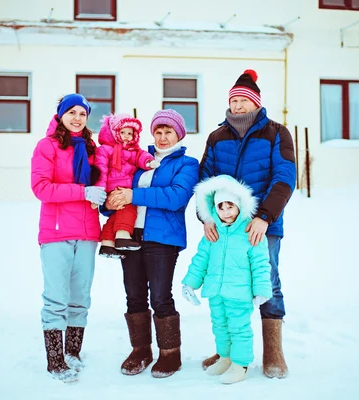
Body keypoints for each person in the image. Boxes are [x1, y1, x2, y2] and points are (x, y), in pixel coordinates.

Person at [199, 69, 296, 379]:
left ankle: (273, 352)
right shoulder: (217, 137)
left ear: (256, 103)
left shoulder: (276, 133)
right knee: (224, 286)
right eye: (234, 100)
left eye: (244, 100)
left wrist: (264, 216)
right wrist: (206, 217)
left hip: (261, 225)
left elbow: (284, 178)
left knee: (267, 281)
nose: (238, 105)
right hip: (224, 226)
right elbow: (205, 181)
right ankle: (227, 350)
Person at [105, 109, 199, 378]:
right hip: (130, 235)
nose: (162, 136)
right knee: (134, 295)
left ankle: (170, 354)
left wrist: (133, 194)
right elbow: (119, 187)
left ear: (179, 134)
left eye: (168, 131)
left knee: (160, 296)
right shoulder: (137, 160)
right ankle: (140, 350)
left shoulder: (187, 164)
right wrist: (111, 203)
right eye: (158, 131)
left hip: (163, 238)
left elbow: (176, 197)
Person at [30, 93, 107, 383]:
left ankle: (73, 352)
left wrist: (103, 193)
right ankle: (55, 360)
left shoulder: (90, 148)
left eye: (83, 114)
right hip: (56, 232)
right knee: (56, 299)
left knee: (80, 298)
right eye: (72, 112)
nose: (77, 118)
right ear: (61, 115)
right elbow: (41, 188)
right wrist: (82, 191)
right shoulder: (47, 146)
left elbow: (101, 178)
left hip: (87, 231)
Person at [181, 175, 272, 384]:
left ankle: (240, 364)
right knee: (219, 325)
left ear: (240, 205)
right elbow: (201, 259)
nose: (226, 212)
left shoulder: (251, 231)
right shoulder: (213, 233)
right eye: (221, 207)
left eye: (230, 206)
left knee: (239, 328)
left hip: (239, 293)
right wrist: (190, 283)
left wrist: (261, 289)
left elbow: (260, 263)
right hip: (215, 291)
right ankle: (225, 357)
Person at [95, 113, 160, 258]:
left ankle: (107, 244)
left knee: (116, 215)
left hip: (126, 187)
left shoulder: (133, 151)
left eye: (130, 133)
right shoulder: (106, 149)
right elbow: (100, 169)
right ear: (114, 133)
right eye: (122, 132)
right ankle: (123, 236)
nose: (126, 136)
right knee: (129, 209)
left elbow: (141, 156)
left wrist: (149, 162)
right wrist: (99, 189)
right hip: (113, 188)